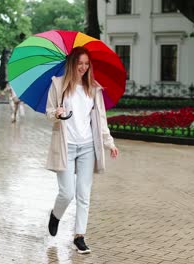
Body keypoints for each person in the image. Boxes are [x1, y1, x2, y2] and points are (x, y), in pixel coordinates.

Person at [45, 46, 119, 254]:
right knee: (67, 193)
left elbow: (101, 119)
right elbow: (49, 111)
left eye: (87, 64)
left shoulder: (94, 89)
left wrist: (109, 142)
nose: (84, 68)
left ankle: (79, 236)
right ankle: (55, 215)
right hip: (65, 145)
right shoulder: (58, 85)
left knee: (83, 194)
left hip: (87, 146)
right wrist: (56, 113)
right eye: (80, 63)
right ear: (72, 63)